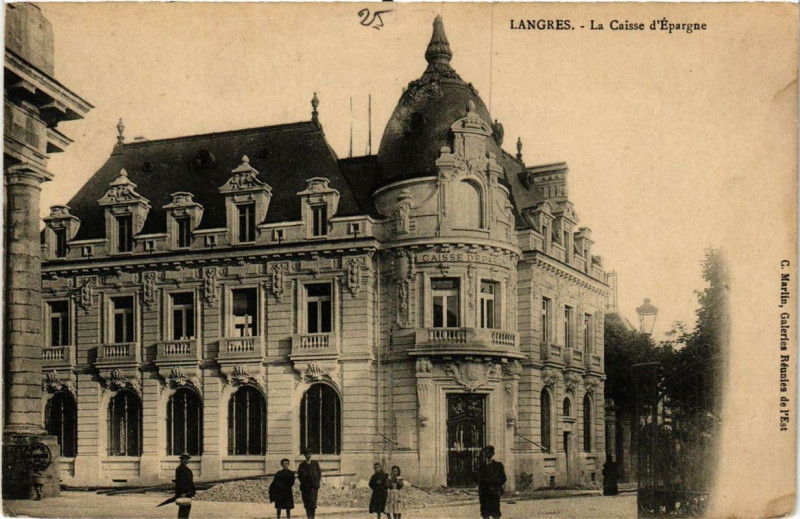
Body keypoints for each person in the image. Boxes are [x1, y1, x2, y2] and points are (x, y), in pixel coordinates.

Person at [477, 446, 506, 519]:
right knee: (485, 512)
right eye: (486, 453)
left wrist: (497, 485)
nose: (487, 455)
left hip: (494, 492)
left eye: (489, 453)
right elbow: (477, 478)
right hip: (484, 492)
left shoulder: (498, 465)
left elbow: (503, 478)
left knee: (495, 512)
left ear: (493, 453)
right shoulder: (481, 466)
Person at [297, 448, 322, 519]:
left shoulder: (315, 463)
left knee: (313, 503)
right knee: (307, 503)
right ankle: (309, 517)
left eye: (310, 454)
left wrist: (316, 482)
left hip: (314, 487)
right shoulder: (301, 465)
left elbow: (319, 474)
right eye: (307, 454)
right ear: (304, 455)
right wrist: (305, 482)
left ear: (311, 455)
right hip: (305, 487)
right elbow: (300, 476)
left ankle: (312, 517)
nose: (308, 455)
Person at [174, 453, 196, 519]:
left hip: (188, 493)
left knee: (186, 509)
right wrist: (183, 493)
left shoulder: (186, 469)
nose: (186, 461)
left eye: (187, 459)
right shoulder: (179, 469)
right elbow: (180, 482)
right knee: (183, 510)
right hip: (183, 493)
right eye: (184, 459)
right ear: (181, 460)